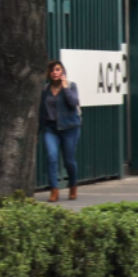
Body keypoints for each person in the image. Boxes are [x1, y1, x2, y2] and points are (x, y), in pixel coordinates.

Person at [40, 61, 83, 202]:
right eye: (52, 70)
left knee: (69, 161)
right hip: (51, 129)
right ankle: (54, 190)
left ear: (63, 72)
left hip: (69, 128)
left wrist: (65, 88)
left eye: (57, 69)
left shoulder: (71, 86)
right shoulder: (45, 89)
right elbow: (41, 110)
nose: (54, 72)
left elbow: (73, 103)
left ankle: (73, 186)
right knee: (51, 157)